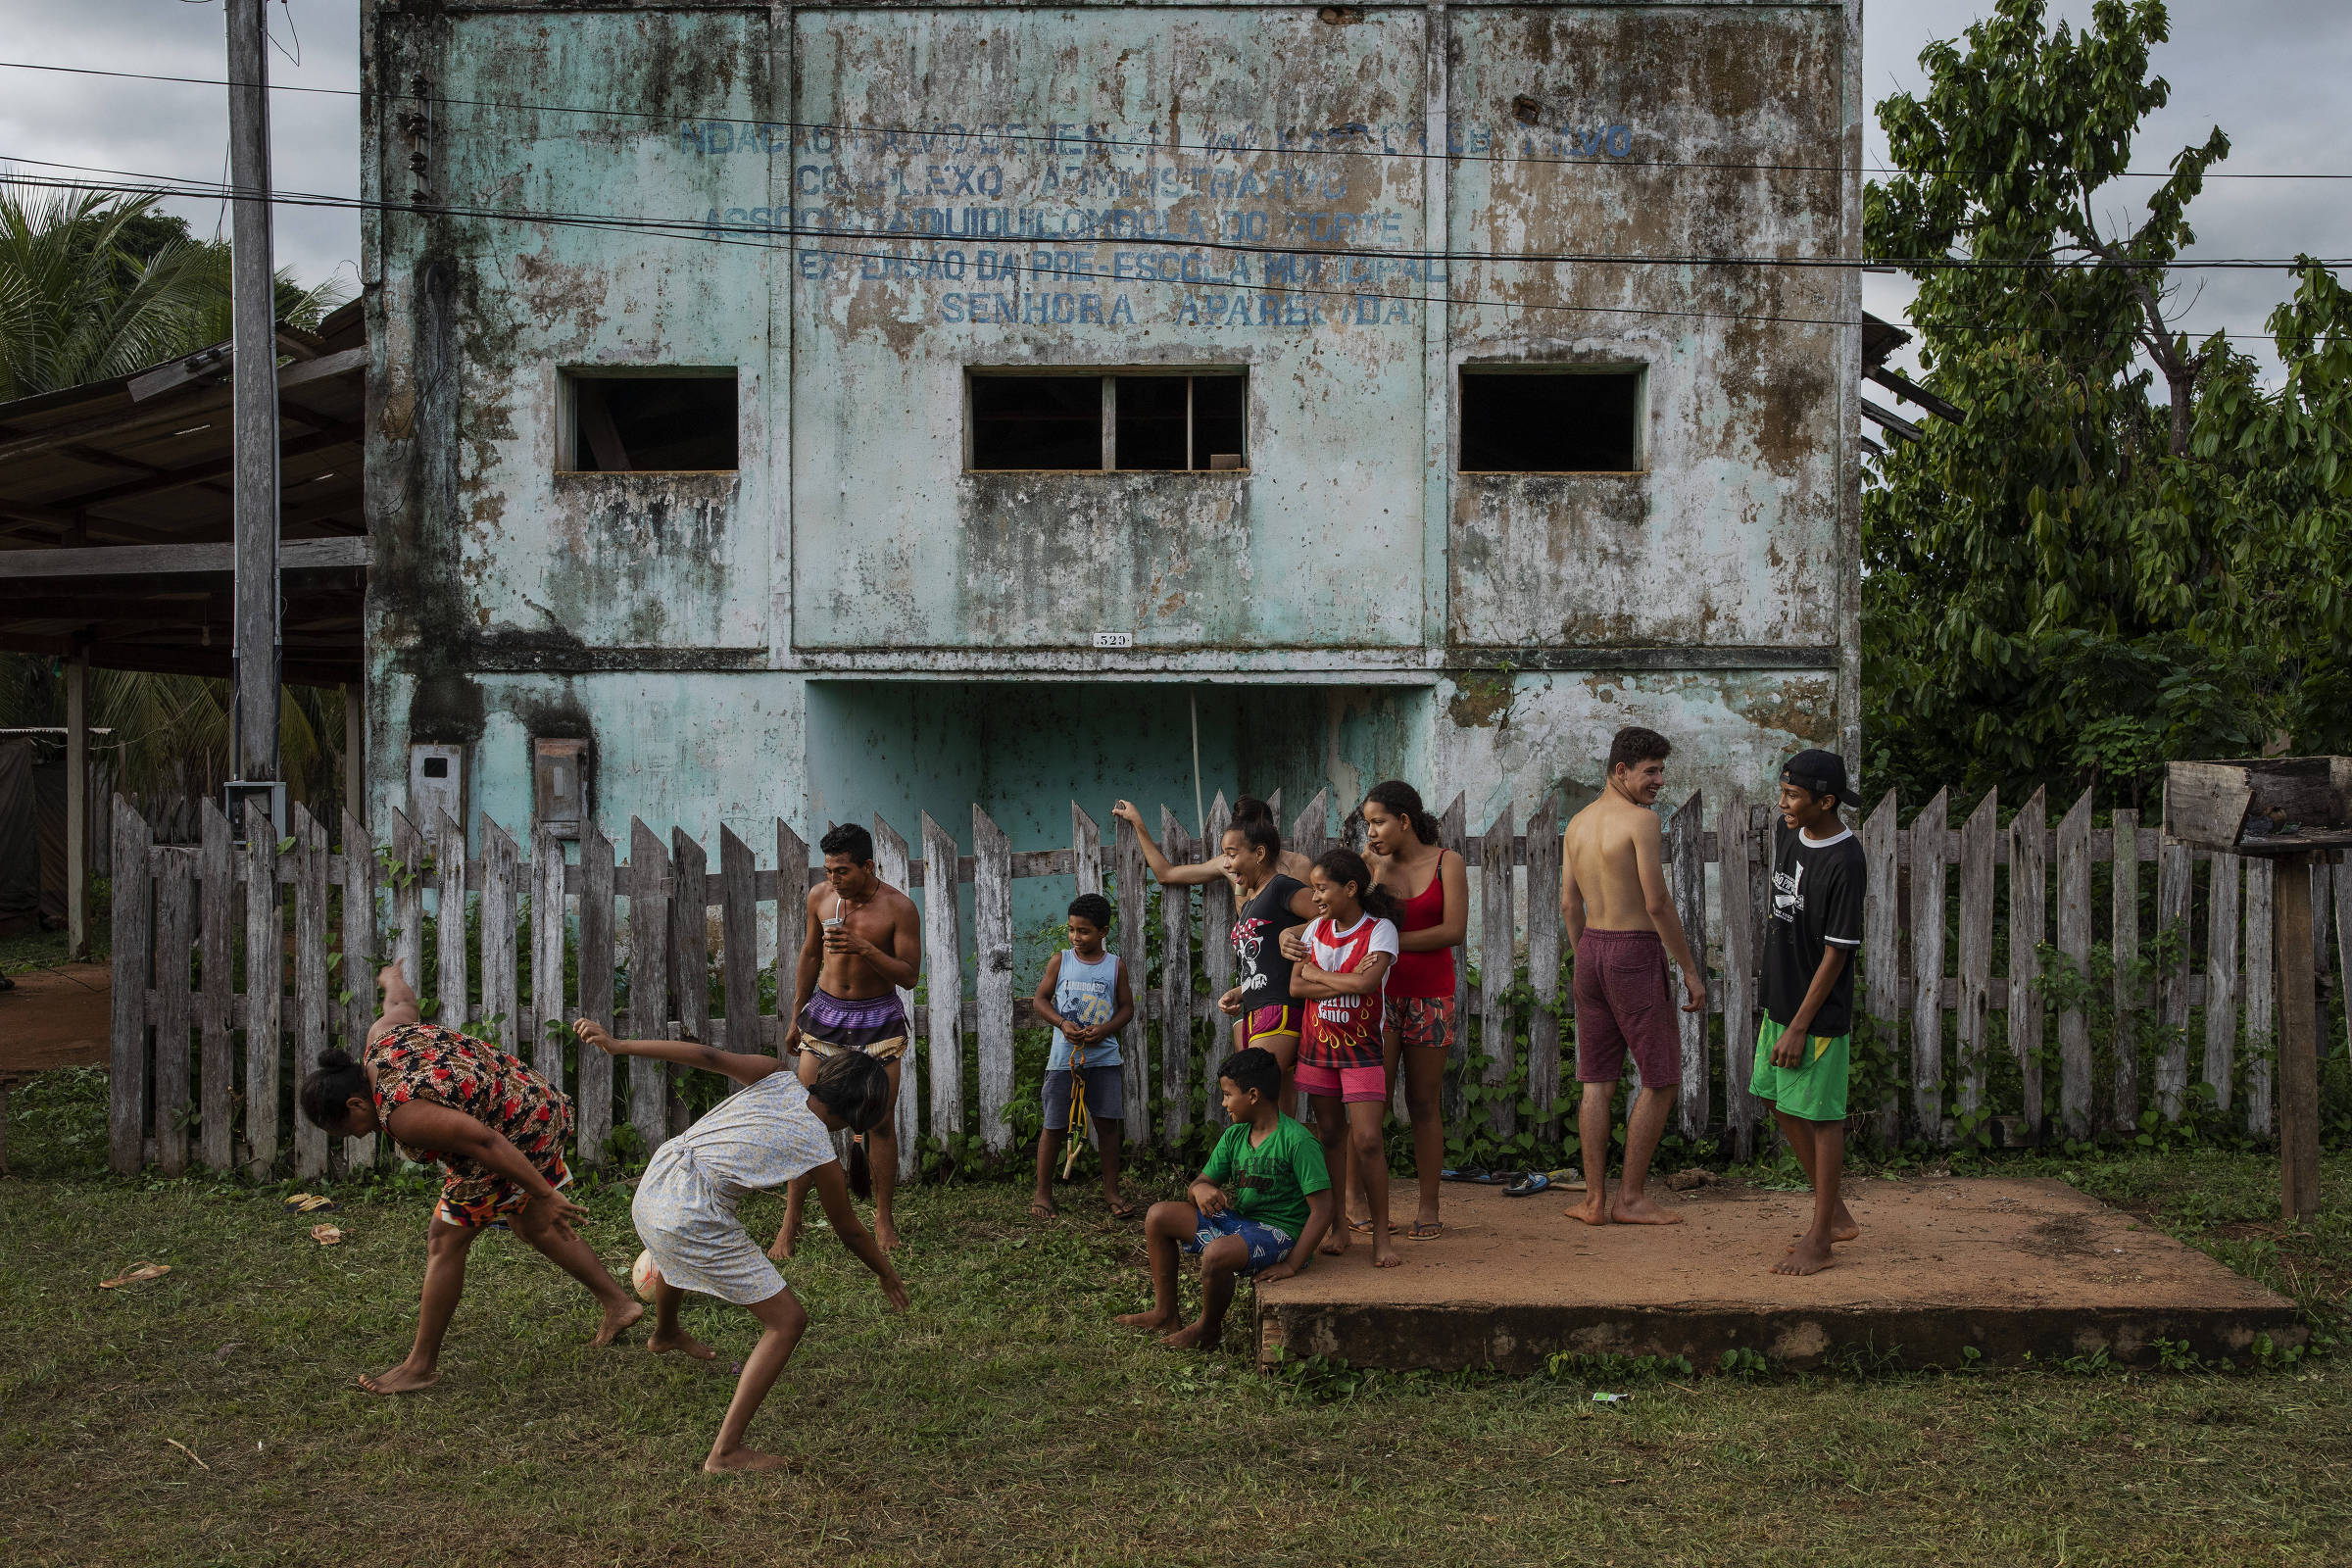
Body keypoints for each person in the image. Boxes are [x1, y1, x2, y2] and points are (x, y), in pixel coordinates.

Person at [574, 1019, 909, 1473]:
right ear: (862, 1115)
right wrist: (886, 1274)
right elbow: (849, 1231)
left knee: (679, 1252)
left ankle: (665, 1333)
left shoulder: (776, 1076)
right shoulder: (820, 1153)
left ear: (824, 1076)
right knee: (788, 1322)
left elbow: (708, 1056)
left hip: (658, 1181)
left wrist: (619, 1045)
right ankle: (726, 1453)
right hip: (688, 1213)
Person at [295, 961, 641, 1395]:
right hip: (536, 1102)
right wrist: (391, 976)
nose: (350, 1138)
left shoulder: (402, 1112)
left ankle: (420, 1365)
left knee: (445, 1238)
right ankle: (619, 1303)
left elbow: (486, 1146)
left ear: (355, 1105)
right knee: (529, 1223)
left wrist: (544, 1192)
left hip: (517, 1133)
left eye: (343, 1130)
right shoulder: (382, 1040)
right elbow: (402, 1002)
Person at [1559, 726, 1708, 1226]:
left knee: (1597, 1081)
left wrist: (1587, 956)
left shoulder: (1577, 823)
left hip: (1592, 949)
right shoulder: (1641, 822)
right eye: (1651, 771)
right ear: (1621, 770)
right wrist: (1689, 969)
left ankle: (1593, 1201)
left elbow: (1568, 903)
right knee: (1662, 1078)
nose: (1659, 781)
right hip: (1634, 949)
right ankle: (1630, 1198)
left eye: (1661, 770)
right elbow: (1657, 902)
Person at [1116, 1047, 1335, 1348]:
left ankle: (1208, 1328)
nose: (1223, 1103)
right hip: (1243, 1225)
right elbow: (1203, 1181)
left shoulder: (1297, 1141)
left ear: (1253, 1096)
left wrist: (1293, 1264)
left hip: (1282, 1234)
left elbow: (1323, 1210)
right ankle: (1165, 1313)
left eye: (1228, 1094)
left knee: (1216, 1254)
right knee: (1158, 1215)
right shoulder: (1235, 1137)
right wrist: (1199, 1189)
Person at [771, 822, 921, 1258]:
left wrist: (864, 948)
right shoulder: (820, 898)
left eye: (842, 871)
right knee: (807, 1121)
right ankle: (791, 1220)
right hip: (826, 1015)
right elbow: (810, 954)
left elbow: (909, 976)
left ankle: (882, 1218)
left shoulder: (899, 908)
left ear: (868, 866)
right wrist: (798, 1013)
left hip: (879, 1019)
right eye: (829, 870)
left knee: (879, 1122)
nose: (832, 879)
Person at [1752, 750, 1866, 1276]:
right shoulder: (1789, 831)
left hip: (1815, 1014)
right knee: (1776, 1098)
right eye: (1783, 792)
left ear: (1827, 801)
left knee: (1822, 1117)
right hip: (1782, 997)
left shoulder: (1846, 860)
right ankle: (1835, 1211)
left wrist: (1800, 1025)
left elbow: (1837, 951)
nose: (1784, 804)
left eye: (1794, 796)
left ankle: (1821, 1237)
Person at [1357, 780, 1466, 1241]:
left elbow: (1452, 931)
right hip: (1377, 998)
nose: (1372, 833)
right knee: (1368, 1103)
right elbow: (1345, 919)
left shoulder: (1448, 863)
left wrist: (1389, 944)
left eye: (1379, 822)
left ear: (1404, 820)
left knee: (1423, 1103)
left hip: (1431, 997)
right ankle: (1355, 1201)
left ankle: (1429, 1205)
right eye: (1368, 824)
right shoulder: (1371, 868)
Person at [1292, 847, 1403, 1268]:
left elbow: (1367, 984)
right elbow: (1297, 989)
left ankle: (1380, 1236)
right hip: (1316, 1049)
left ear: (1351, 888)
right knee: (1332, 1137)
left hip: (1363, 1052)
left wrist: (1318, 974)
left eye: (1322, 888)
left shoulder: (1380, 930)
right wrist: (1344, 981)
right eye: (1313, 889)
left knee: (1369, 1141)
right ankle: (1339, 1226)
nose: (1316, 896)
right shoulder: (1313, 930)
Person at [1029, 893, 1138, 1220]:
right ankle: (1043, 1193)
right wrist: (1062, 1023)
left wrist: (1105, 1030)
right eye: (1072, 930)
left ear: (1103, 931)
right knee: (1054, 1125)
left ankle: (1111, 1191)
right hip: (1065, 1060)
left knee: (1107, 1126)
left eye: (1085, 931)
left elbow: (1127, 1009)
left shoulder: (1114, 966)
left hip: (1104, 1060)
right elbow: (1040, 1000)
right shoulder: (1061, 961)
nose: (1077, 937)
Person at [1212, 808, 1319, 1103]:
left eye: (1232, 854)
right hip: (1254, 1010)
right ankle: (1283, 1152)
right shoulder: (1249, 903)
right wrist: (1240, 991)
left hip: (1280, 1008)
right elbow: (1264, 962)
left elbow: (1330, 916)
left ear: (1259, 853)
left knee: (1253, 1097)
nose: (1227, 863)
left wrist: (1293, 932)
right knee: (1274, 1107)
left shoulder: (1281, 887)